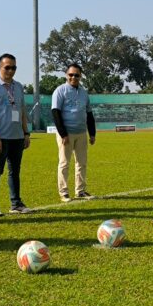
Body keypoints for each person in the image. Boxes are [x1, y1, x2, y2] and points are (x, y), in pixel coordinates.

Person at [0, 53, 32, 217]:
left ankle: (16, 203)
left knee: (14, 171)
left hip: (17, 137)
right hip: (0, 137)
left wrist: (26, 133)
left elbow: (22, 111)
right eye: (7, 67)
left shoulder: (18, 87)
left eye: (14, 67)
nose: (10, 71)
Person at [51, 63, 97, 202]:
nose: (73, 77)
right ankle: (64, 192)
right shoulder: (60, 91)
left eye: (76, 75)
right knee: (64, 163)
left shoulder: (84, 93)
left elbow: (89, 114)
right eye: (71, 75)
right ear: (66, 75)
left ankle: (80, 191)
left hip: (81, 133)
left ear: (80, 76)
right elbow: (55, 112)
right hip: (67, 134)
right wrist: (63, 134)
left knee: (81, 163)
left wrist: (92, 133)